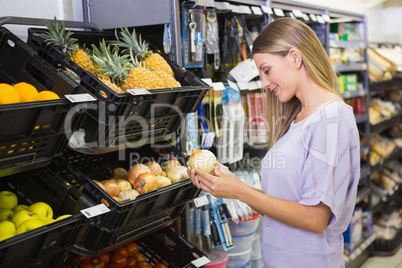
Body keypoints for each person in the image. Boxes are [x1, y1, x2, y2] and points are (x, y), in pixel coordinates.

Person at [187, 17, 361, 268]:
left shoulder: (330, 119)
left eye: (266, 70)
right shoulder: (299, 118)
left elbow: (315, 218)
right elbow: (285, 202)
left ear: (294, 57)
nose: (265, 84)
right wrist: (231, 184)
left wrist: (239, 190)